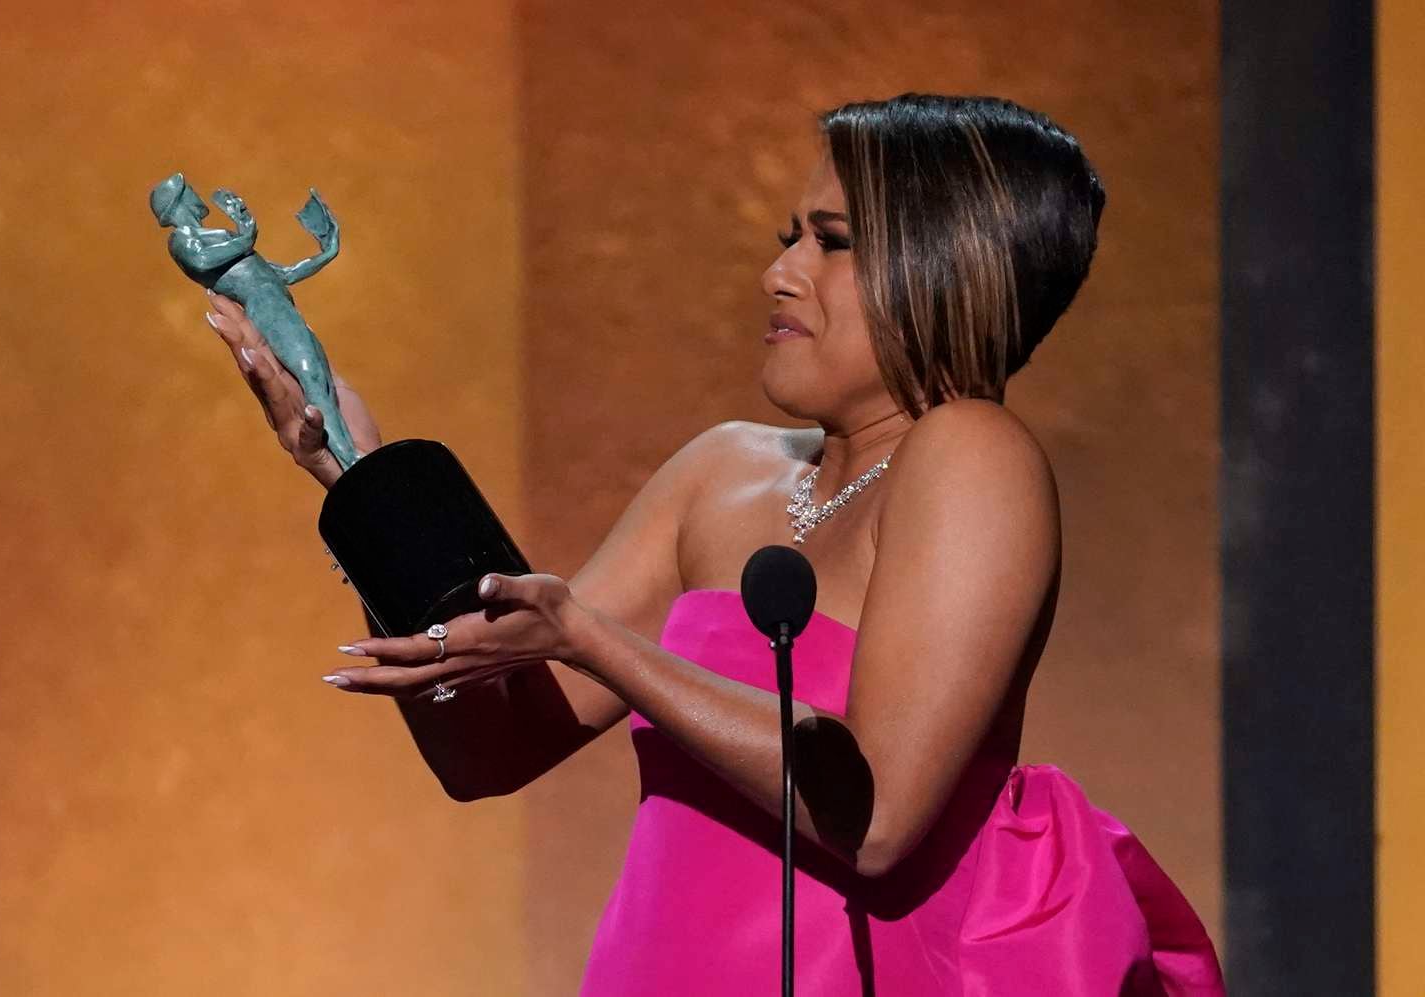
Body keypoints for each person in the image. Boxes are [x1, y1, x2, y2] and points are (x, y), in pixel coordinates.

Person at [205, 93, 1224, 995]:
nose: (778, 271)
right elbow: (490, 747)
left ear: (944, 264)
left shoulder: (970, 455)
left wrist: (589, 637)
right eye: (791, 234)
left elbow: (870, 815)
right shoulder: (721, 472)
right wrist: (357, 477)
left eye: (830, 241)